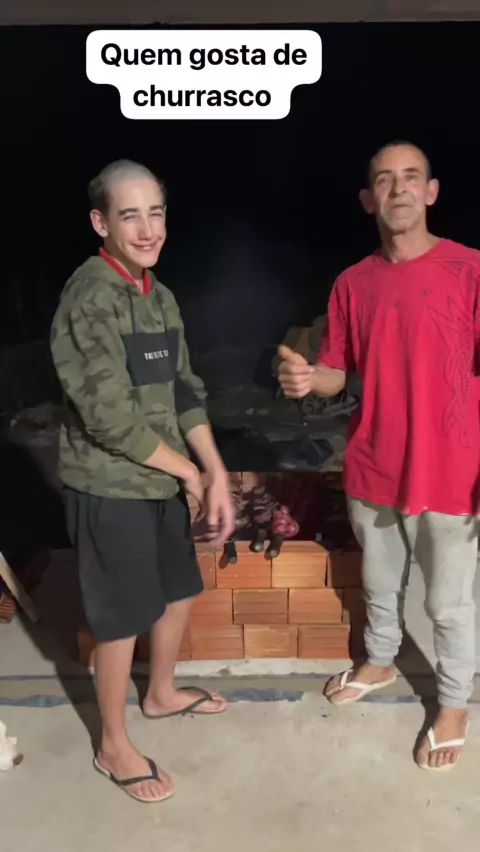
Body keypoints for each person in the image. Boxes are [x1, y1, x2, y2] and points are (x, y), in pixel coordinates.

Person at [277, 140, 480, 772]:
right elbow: (338, 371)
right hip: (374, 462)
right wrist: (310, 380)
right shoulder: (352, 283)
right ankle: (382, 659)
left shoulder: (471, 270)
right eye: (385, 180)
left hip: (452, 468)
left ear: (431, 191)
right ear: (369, 199)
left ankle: (454, 703)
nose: (399, 189)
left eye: (411, 177)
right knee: (379, 581)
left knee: (448, 602)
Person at [50, 159, 236, 803]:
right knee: (122, 615)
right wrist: (189, 472)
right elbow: (108, 418)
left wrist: (214, 471)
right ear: (101, 223)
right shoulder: (90, 297)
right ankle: (112, 744)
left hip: (160, 478)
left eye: (155, 212)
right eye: (130, 215)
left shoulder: (159, 295)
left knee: (178, 591)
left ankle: (159, 693)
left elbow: (185, 391)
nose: (148, 228)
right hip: (109, 484)